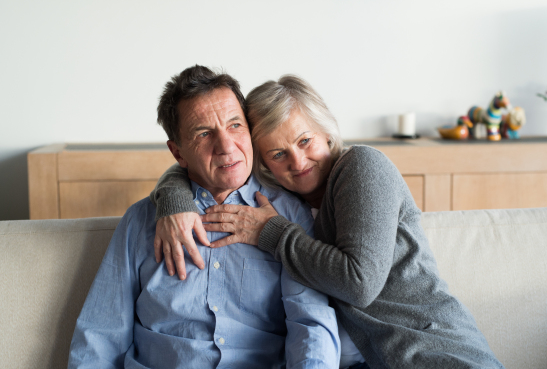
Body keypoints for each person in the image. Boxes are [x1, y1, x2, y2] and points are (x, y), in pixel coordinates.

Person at [151, 75, 505, 369]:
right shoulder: (284, 201)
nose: (298, 161)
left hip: (432, 353)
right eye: (278, 154)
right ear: (263, 162)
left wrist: (269, 233)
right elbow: (211, 159)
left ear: (326, 132)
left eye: (305, 141)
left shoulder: (363, 168)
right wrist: (173, 196)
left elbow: (359, 284)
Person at [68, 66, 340, 369]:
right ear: (178, 153)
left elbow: (311, 323)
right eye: (204, 133)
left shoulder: (289, 214)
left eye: (235, 125)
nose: (226, 147)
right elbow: (100, 335)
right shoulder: (140, 221)